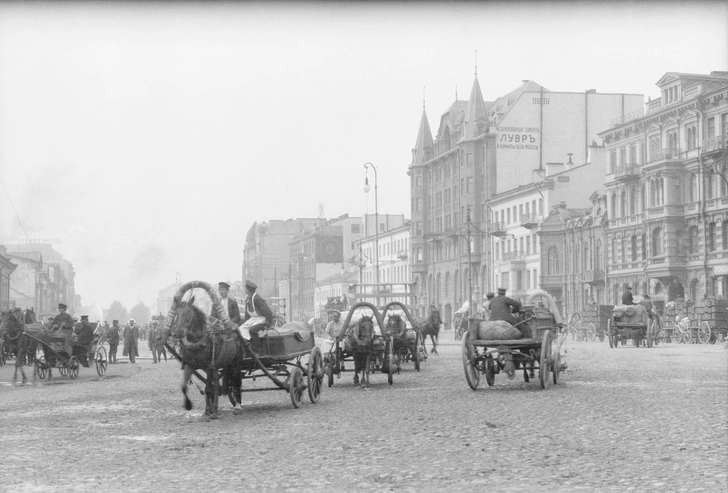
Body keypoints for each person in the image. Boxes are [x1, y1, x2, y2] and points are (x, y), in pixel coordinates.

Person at [238, 280, 274, 353]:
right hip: (253, 319)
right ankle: (247, 349)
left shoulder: (257, 299)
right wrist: (244, 323)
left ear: (249, 290)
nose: (245, 290)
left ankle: (257, 350)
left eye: (246, 288)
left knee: (252, 330)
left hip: (262, 319)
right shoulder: (248, 299)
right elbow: (247, 314)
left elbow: (268, 312)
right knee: (240, 329)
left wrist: (267, 323)